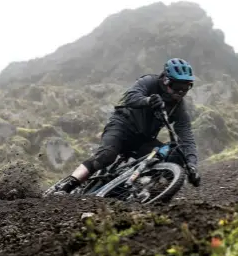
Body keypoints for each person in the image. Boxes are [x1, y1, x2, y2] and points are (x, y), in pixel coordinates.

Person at [50, 58, 201, 194]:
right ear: (166, 81)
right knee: (106, 156)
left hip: (143, 139)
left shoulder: (179, 107)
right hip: (122, 125)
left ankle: (149, 192)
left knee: (173, 155)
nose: (180, 92)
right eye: (177, 87)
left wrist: (191, 165)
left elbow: (186, 137)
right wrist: (148, 101)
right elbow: (131, 97)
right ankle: (67, 186)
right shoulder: (149, 81)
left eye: (186, 87)